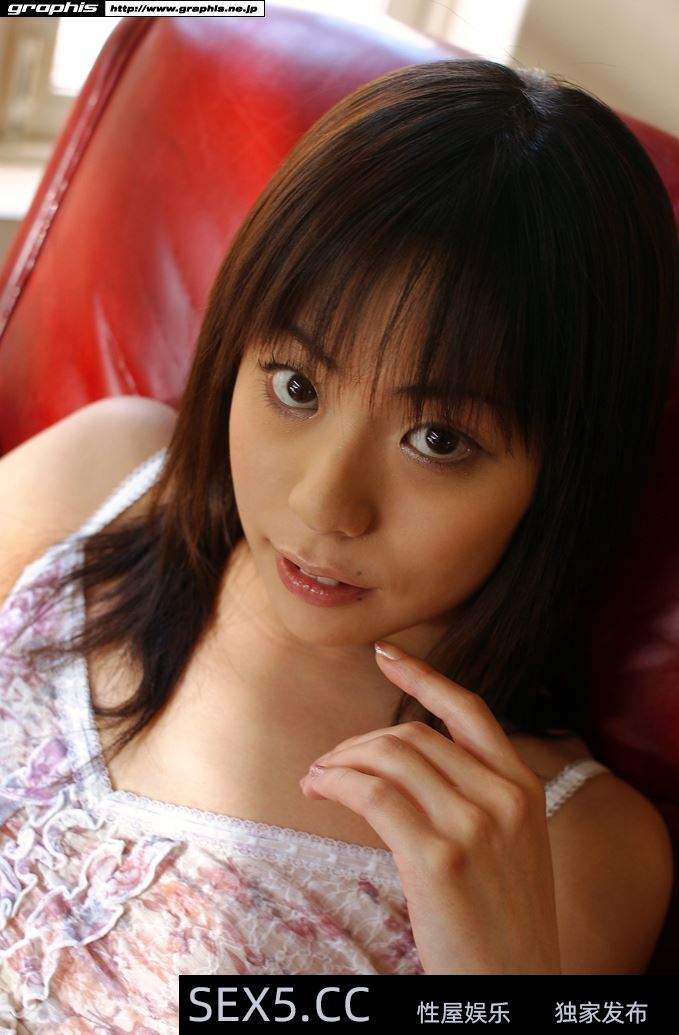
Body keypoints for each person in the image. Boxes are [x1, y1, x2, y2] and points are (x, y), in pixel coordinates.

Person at [0, 56, 677, 1026]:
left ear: (561, 475)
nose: (325, 504)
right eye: (296, 387)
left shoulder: (567, 846)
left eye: (437, 441)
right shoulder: (102, 480)